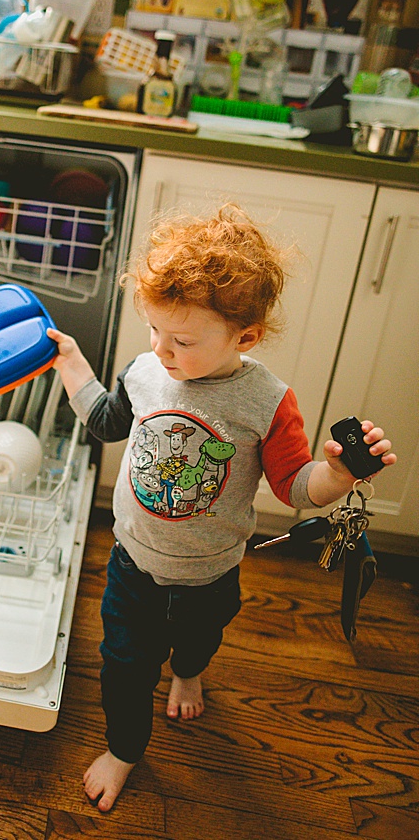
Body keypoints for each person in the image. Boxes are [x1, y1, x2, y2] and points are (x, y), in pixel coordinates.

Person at [45, 203, 395, 813]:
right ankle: (126, 748)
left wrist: (338, 473)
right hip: (133, 565)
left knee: (198, 643)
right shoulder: (146, 370)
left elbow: (295, 486)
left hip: (210, 574)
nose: (162, 350)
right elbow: (106, 421)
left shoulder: (266, 401)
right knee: (123, 664)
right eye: (153, 330)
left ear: (246, 336)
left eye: (181, 339)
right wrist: (74, 364)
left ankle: (188, 671)